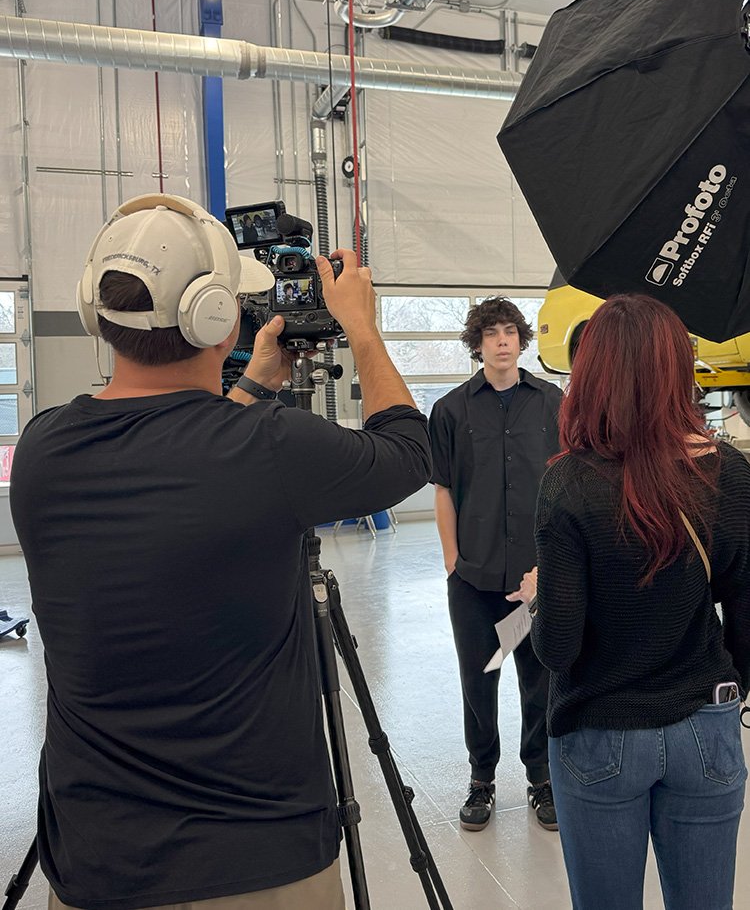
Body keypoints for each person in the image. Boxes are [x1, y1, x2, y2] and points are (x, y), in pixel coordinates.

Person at [10, 194, 432, 910]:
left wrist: (250, 386)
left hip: (97, 861)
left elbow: (186, 457)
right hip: (259, 863)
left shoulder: (43, 449)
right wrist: (362, 327)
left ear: (94, 312)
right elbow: (408, 450)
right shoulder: (273, 448)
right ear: (220, 320)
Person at [509, 294, 750, 910]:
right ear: (679, 370)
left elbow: (558, 649)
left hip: (600, 730)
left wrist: (539, 598)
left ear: (592, 374)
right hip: (708, 724)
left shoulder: (569, 482)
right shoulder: (731, 473)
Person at [429, 297, 562, 831]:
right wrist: (452, 562)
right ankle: (481, 778)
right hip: (473, 576)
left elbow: (567, 484)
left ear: (521, 341)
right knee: (478, 682)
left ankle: (541, 777)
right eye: (491, 333)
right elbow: (443, 489)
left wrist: (556, 565)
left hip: (538, 576)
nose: (502, 341)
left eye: (510, 331)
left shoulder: (553, 403)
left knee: (540, 680)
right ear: (477, 343)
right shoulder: (450, 411)